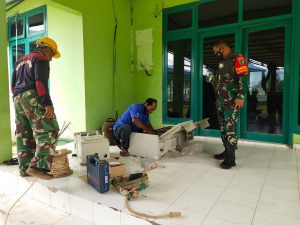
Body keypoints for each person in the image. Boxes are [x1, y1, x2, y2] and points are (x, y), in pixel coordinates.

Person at [11, 37, 61, 179]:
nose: (51, 59)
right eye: (52, 53)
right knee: (49, 130)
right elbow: (40, 82)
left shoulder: (19, 61)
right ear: (46, 48)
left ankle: (25, 169)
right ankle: (37, 167)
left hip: (17, 98)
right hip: (32, 95)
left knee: (24, 134)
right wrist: (47, 103)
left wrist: (19, 100)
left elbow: (13, 86)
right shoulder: (41, 59)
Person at [212, 40, 248, 169]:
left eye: (216, 51)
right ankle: (226, 150)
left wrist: (240, 96)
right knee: (223, 128)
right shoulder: (223, 62)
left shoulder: (238, 58)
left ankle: (230, 158)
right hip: (221, 102)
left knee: (230, 128)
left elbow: (243, 78)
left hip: (231, 102)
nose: (216, 54)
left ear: (222, 48)